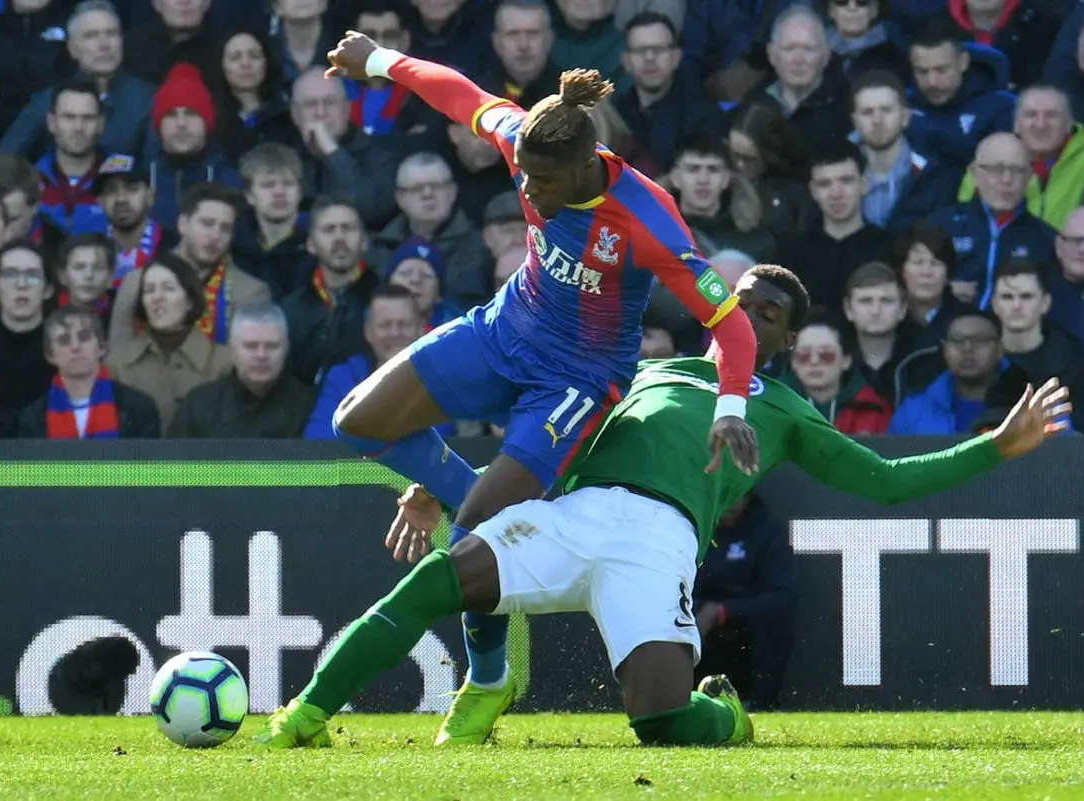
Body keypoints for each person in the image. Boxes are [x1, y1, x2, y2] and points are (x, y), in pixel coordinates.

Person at [253, 264, 1070, 749]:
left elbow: (885, 481)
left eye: (768, 314)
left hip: (658, 544)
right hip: (575, 514)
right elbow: (538, 435)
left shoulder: (785, 411)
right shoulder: (645, 371)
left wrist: (995, 445)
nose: (747, 315)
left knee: (663, 726)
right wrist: (430, 484)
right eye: (742, 299)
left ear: (786, 341)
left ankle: (726, 717)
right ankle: (305, 714)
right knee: (433, 581)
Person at [319, 30, 761, 745]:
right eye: (522, 175)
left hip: (577, 379)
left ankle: (488, 680)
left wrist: (731, 405)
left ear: (586, 166)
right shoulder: (527, 138)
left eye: (542, 182)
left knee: (473, 534)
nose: (527, 190)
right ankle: (464, 491)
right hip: (503, 331)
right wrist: (377, 61)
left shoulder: (648, 219)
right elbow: (458, 92)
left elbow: (731, 324)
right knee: (355, 422)